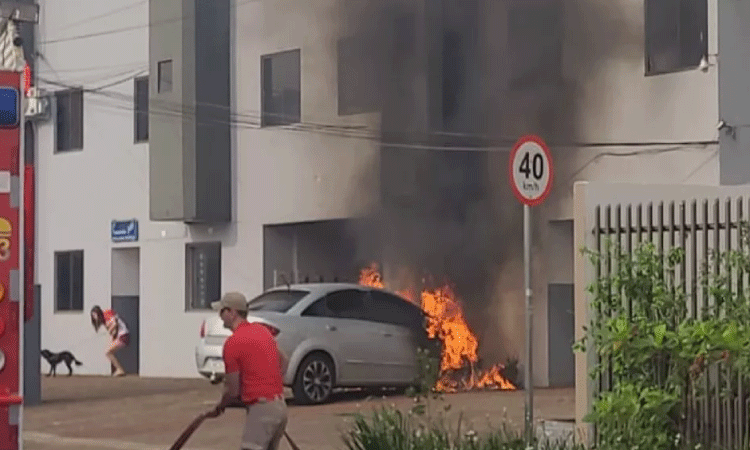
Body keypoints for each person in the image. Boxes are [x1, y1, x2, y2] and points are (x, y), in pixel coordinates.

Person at [206, 292, 289, 450]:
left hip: (262, 409)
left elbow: (233, 389)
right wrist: (271, 384)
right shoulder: (262, 331)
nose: (220, 315)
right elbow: (284, 361)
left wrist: (221, 406)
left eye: (222, 311)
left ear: (232, 312)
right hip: (280, 406)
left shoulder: (233, 343)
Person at [90, 305, 129, 377]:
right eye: (92, 316)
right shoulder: (104, 318)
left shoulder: (106, 314)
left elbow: (114, 323)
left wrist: (111, 330)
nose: (94, 317)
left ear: (98, 313)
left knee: (108, 352)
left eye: (94, 315)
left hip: (123, 335)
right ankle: (119, 369)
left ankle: (120, 370)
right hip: (120, 336)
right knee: (109, 352)